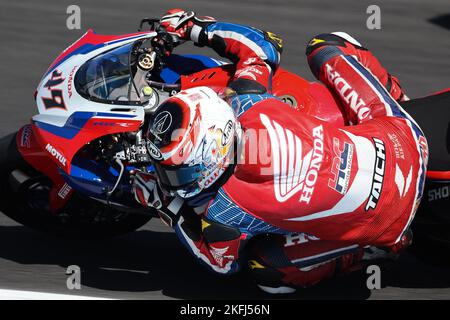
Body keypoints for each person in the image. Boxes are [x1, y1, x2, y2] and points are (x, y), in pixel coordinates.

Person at [133, 8, 428, 293]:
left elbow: (221, 264)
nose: (171, 177)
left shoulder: (227, 209)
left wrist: (166, 206)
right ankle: (401, 98)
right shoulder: (248, 102)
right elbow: (265, 46)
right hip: (406, 141)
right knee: (326, 46)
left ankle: (373, 249)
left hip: (390, 220)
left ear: (209, 158)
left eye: (179, 168)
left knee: (267, 271)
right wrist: (194, 28)